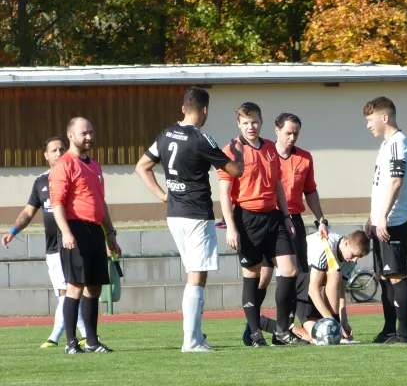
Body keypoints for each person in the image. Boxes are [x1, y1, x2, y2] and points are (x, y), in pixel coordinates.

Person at [135, 87, 244, 352]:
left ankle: (196, 334)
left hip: (174, 214)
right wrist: (238, 150)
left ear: (183, 108)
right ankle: (191, 341)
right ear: (205, 110)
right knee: (197, 277)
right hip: (196, 214)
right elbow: (235, 170)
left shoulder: (165, 133)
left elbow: (142, 167)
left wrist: (163, 195)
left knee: (194, 273)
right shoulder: (201, 139)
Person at [218, 102, 308, 346]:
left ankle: (281, 331)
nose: (251, 127)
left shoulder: (270, 147)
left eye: (255, 121)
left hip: (274, 216)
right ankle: (255, 333)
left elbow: (278, 184)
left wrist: (287, 216)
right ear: (239, 124)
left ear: (261, 121)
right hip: (247, 219)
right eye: (246, 123)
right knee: (253, 275)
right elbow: (224, 193)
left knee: (289, 271)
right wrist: (231, 227)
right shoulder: (231, 151)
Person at [242, 112, 329, 345]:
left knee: (295, 275)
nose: (292, 137)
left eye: (296, 133)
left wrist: (321, 219)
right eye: (288, 132)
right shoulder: (266, 154)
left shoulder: (305, 158)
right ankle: (253, 325)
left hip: (293, 221)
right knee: (263, 276)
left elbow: (310, 191)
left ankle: (285, 328)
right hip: (267, 219)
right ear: (277, 130)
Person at [1, 137, 87, 348]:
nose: (59, 153)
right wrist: (13, 230)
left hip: (75, 243)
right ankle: (75, 336)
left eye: (62, 149)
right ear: (46, 155)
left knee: (70, 292)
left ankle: (63, 337)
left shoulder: (76, 175)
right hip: (54, 248)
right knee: (65, 293)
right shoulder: (40, 182)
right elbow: (28, 212)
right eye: (54, 150)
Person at [49, 117, 121, 354]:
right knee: (75, 286)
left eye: (91, 132)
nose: (89, 137)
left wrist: (110, 234)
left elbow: (101, 203)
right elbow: (57, 203)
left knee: (95, 287)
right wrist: (67, 232)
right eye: (84, 133)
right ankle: (71, 343)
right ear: (71, 136)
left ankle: (92, 341)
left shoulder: (95, 165)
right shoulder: (64, 165)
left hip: (94, 231)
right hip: (75, 230)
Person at [251, 230, 369, 344]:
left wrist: (344, 321)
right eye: (354, 255)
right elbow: (313, 289)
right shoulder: (325, 246)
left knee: (315, 337)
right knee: (335, 273)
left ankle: (262, 322)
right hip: (294, 280)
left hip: (309, 283)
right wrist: (334, 322)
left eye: (359, 257)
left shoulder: (350, 259)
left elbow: (341, 292)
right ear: (346, 243)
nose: (354, 260)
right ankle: (333, 320)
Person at [363, 96, 407, 344]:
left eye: (370, 120)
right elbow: (382, 184)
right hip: (382, 220)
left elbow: (396, 182)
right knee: (384, 277)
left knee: (396, 275)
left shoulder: (397, 143)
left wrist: (382, 217)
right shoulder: (386, 145)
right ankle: (389, 329)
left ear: (385, 117)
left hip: (394, 221)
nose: (368, 125)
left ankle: (403, 334)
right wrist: (372, 216)